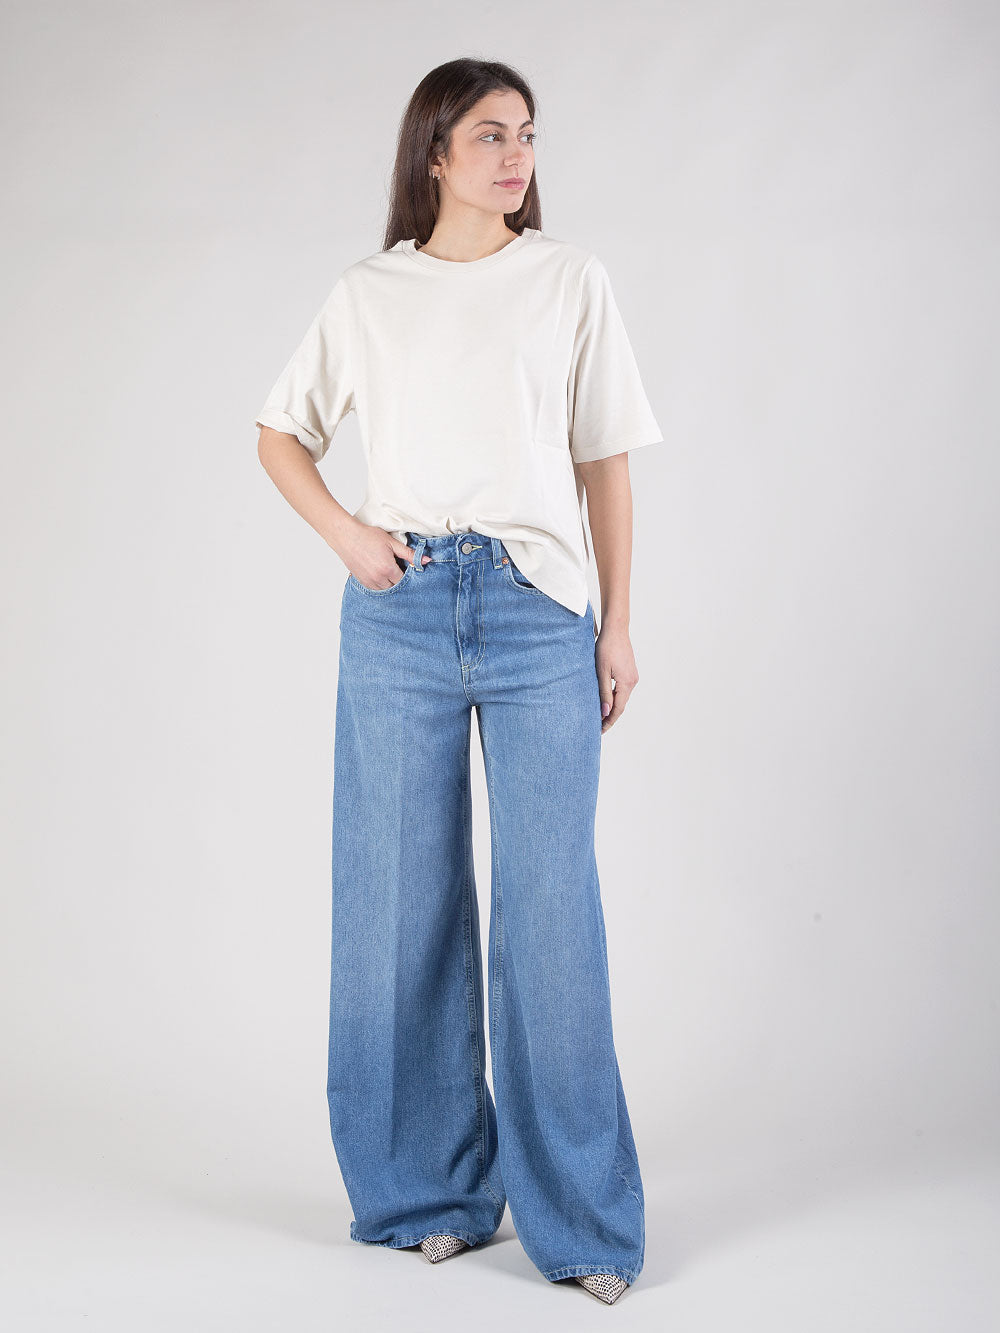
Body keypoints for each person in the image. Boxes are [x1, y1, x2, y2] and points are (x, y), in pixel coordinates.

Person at [254, 57, 662, 1306]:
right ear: (433, 151)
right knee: (398, 904)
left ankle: (583, 1223)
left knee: (551, 913)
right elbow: (280, 433)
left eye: (526, 134)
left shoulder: (569, 279)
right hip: (402, 609)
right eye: (490, 135)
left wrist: (616, 624)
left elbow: (604, 460)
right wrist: (350, 537)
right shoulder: (369, 293)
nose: (515, 155)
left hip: (540, 612)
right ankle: (426, 1194)